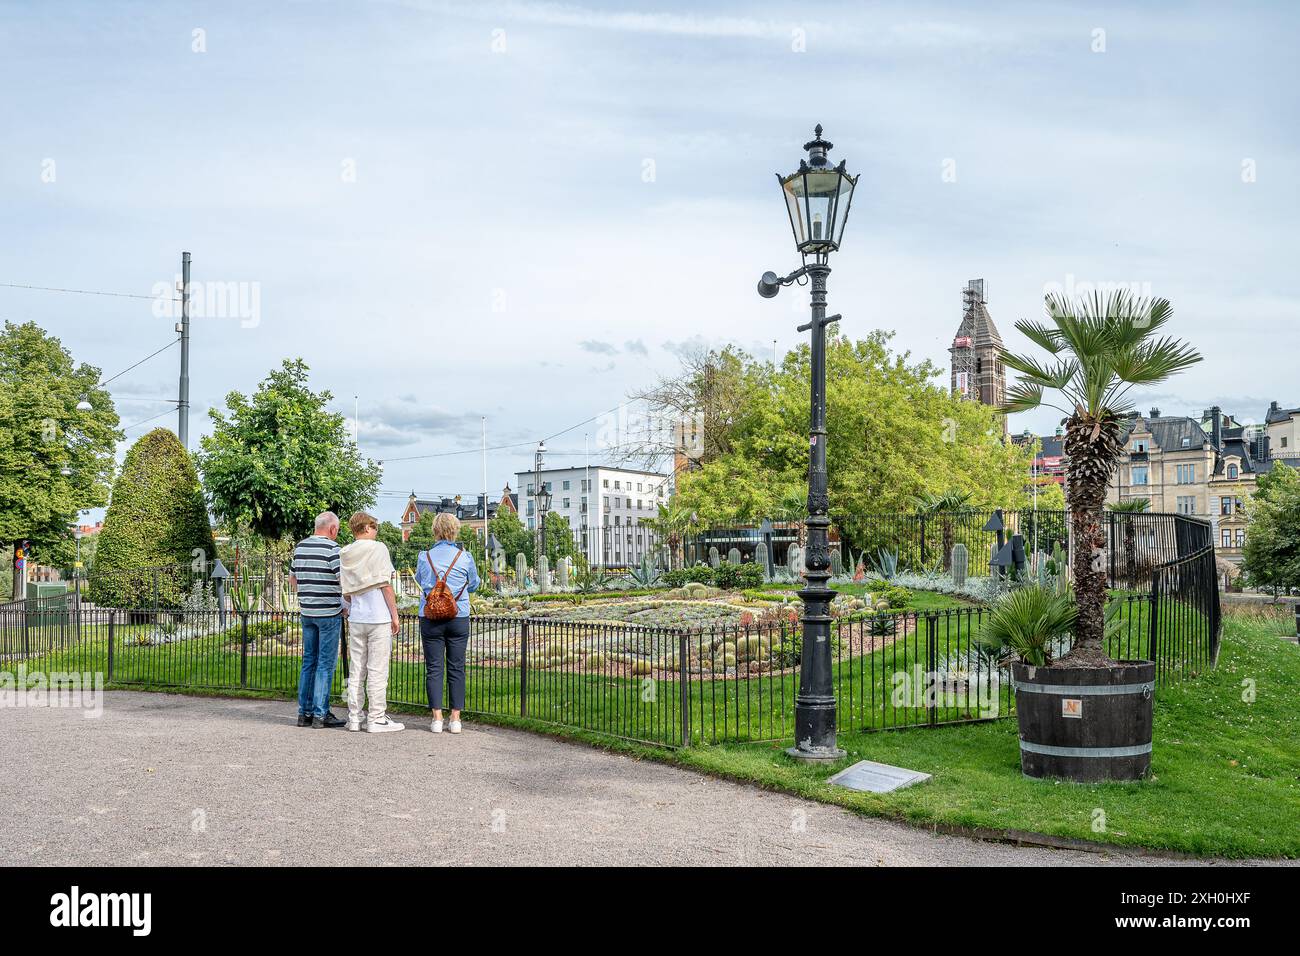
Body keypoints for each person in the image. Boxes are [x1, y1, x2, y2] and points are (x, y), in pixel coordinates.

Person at [415, 512, 479, 734]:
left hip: (430, 617)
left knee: (433, 667)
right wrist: (458, 589)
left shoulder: (424, 556)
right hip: (458, 615)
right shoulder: (465, 557)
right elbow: (474, 584)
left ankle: (436, 718)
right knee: (456, 667)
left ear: (434, 530)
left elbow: (421, 580)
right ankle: (455, 719)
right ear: (455, 530)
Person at [339, 512, 403, 733]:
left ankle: (354, 717)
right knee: (377, 669)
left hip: (357, 617)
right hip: (378, 617)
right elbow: (386, 585)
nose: (376, 531)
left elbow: (345, 592)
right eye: (374, 527)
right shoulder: (379, 548)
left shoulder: (345, 552)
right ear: (366, 528)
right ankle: (376, 718)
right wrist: (394, 615)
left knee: (357, 669)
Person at [290, 512, 346, 729]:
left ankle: (304, 713)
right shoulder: (333, 550)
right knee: (325, 664)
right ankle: (321, 714)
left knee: (308, 662)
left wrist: (305, 596)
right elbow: (344, 580)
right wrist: (344, 602)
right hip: (329, 614)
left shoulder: (300, 547)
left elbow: (292, 579)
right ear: (332, 529)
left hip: (307, 612)